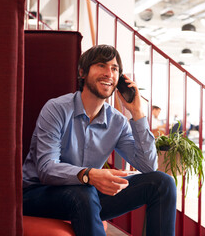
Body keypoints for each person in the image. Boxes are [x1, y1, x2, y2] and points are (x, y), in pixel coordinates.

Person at [22, 45, 177, 236]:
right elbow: (47, 169)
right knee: (84, 192)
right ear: (82, 72)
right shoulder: (56, 109)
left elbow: (148, 166)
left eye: (114, 69)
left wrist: (137, 112)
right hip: (39, 193)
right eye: (101, 66)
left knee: (162, 182)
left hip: (86, 195)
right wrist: (90, 175)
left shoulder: (117, 121)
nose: (108, 73)